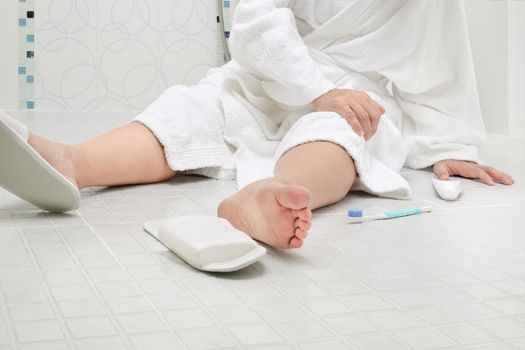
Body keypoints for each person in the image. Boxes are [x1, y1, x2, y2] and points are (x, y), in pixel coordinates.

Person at [3, 0, 514, 249]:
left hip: (360, 90)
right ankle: (73, 162)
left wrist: (446, 140)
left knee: (339, 135)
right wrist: (314, 87)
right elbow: (256, 22)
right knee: (197, 106)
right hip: (276, 74)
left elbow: (440, 61)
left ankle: (275, 193)